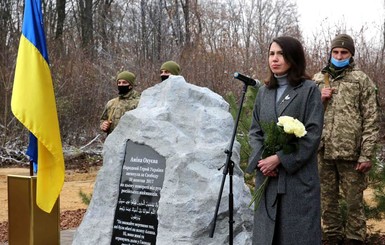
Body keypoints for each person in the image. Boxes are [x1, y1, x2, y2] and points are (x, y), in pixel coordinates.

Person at [246, 36, 324, 244]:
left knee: (296, 236)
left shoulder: (309, 90)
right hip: (268, 178)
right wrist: (264, 161)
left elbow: (313, 134)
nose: (275, 59)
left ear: (293, 57)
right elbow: (255, 131)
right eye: (272, 54)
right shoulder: (263, 92)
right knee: (266, 237)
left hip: (297, 180)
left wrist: (280, 159)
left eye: (281, 54)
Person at [313, 34, 379, 245]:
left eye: (344, 52)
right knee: (327, 202)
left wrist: (366, 154)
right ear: (330, 53)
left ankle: (354, 239)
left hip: (352, 154)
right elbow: (306, 115)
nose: (339, 55)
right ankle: (331, 237)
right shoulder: (317, 80)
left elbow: (371, 118)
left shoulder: (361, 80)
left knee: (353, 203)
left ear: (351, 55)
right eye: (335, 52)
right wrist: (318, 97)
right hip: (323, 151)